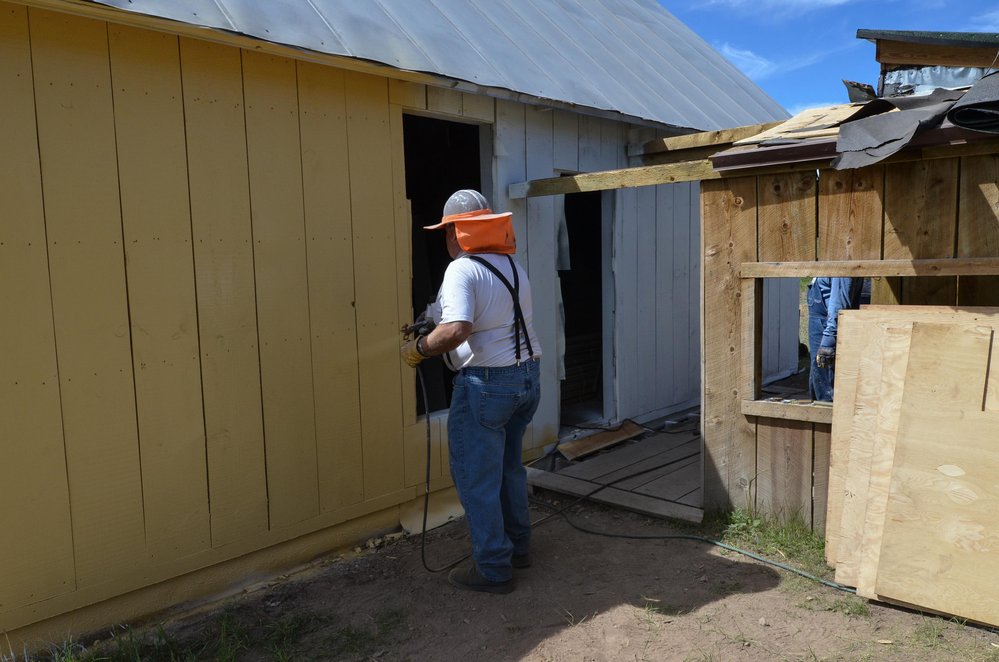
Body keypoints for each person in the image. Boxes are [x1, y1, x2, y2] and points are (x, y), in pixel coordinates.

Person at [401, 189, 542, 594]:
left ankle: (494, 569)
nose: (446, 239)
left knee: (475, 478)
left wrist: (418, 350)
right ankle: (518, 549)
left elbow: (458, 329)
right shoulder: (512, 265)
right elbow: (482, 316)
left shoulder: (461, 270)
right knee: (508, 468)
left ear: (458, 233)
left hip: (488, 385)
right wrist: (432, 322)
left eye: (448, 231)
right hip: (527, 377)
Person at [807, 277, 863, 401]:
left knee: (828, 391)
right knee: (818, 382)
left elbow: (839, 304)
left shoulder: (842, 265)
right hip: (820, 323)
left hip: (826, 325)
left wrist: (828, 340)